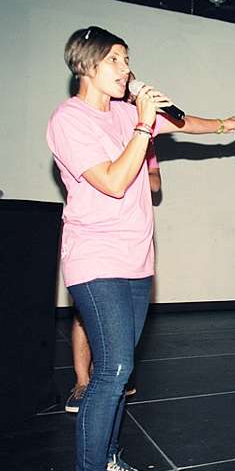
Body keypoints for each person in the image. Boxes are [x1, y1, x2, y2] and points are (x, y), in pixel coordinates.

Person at [47, 25, 235, 471]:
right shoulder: (69, 120)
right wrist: (141, 125)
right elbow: (114, 182)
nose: (126, 69)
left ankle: (109, 460)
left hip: (136, 260)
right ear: (87, 64)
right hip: (96, 259)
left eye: (127, 59)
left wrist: (226, 124)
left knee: (122, 369)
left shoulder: (123, 112)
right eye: (116, 60)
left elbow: (183, 122)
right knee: (112, 370)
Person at [65, 141, 161, 413]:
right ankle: (82, 382)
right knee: (83, 315)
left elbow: (155, 184)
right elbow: (106, 179)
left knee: (120, 333)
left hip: (130, 244)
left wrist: (128, 171)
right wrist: (119, 174)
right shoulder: (90, 135)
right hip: (96, 241)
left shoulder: (144, 143)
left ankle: (105, 376)